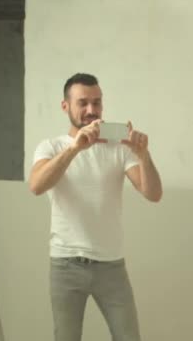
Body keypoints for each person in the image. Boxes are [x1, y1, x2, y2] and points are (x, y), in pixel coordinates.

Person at [29, 73, 162, 341]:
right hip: (66, 264)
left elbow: (153, 193)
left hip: (111, 265)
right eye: (83, 103)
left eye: (97, 103)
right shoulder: (51, 147)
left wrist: (144, 155)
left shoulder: (119, 148)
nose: (92, 111)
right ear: (65, 106)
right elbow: (37, 185)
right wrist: (75, 149)